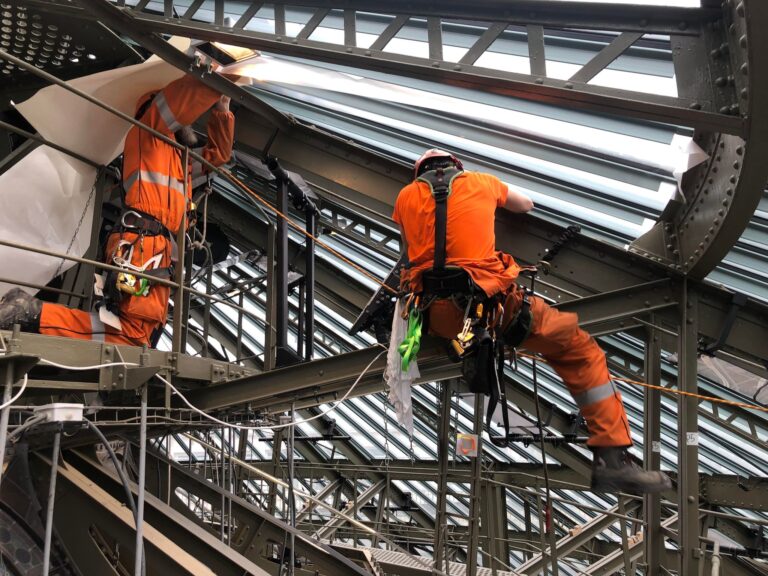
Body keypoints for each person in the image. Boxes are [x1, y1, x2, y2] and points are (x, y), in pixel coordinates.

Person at [393, 148, 672, 493]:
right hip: (491, 308)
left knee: (459, 330)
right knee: (579, 349)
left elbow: (409, 248)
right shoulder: (482, 182)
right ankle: (611, 460)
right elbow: (526, 205)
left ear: (419, 172)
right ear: (457, 168)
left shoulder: (405, 198)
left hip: (437, 316)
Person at [0, 74, 235, 347]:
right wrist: (216, 75)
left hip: (150, 249)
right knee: (134, 335)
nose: (191, 122)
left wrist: (223, 110)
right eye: (187, 118)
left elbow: (217, 158)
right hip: (144, 245)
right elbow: (176, 104)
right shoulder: (151, 129)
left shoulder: (175, 159)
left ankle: (33, 313)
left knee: (137, 335)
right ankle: (32, 313)